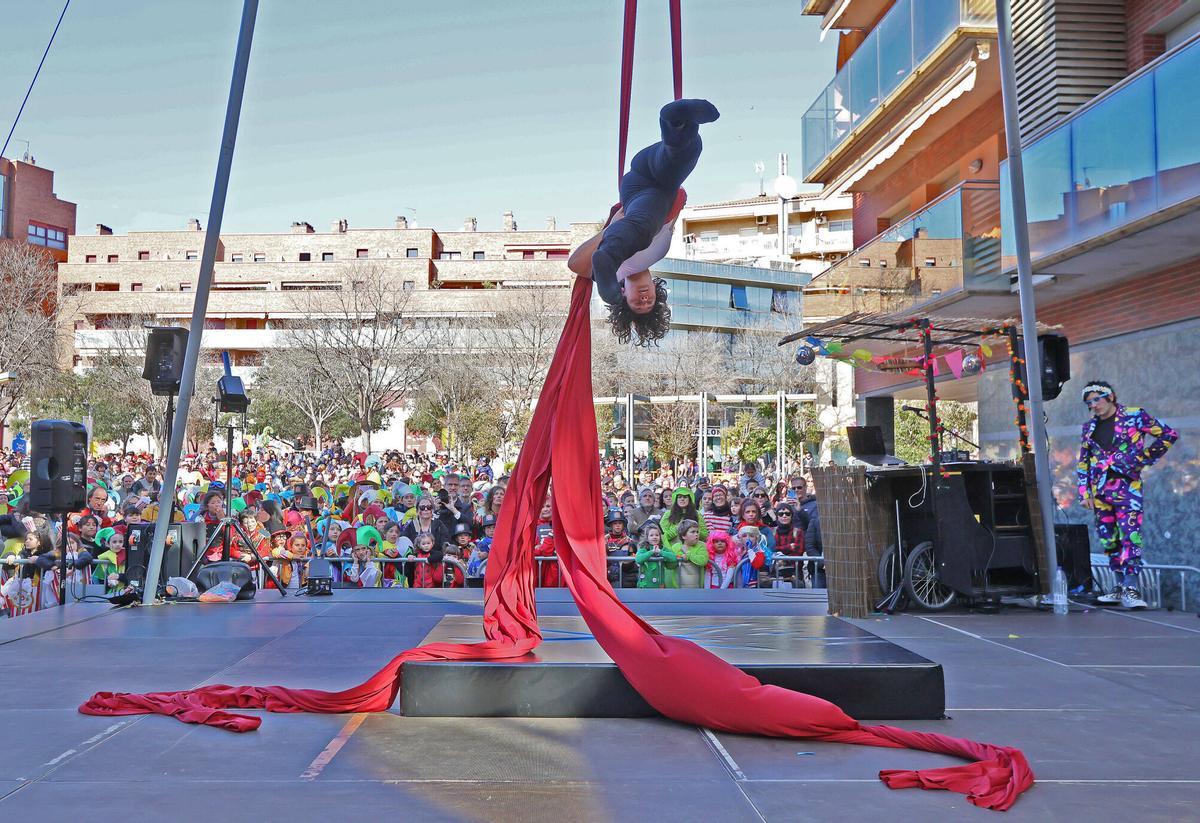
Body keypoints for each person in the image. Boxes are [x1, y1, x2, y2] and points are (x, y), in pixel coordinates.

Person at [568, 98, 720, 344]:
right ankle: (678, 121)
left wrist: (608, 230)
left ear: (622, 293)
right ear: (657, 292)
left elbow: (575, 264)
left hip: (640, 194)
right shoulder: (660, 253)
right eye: (650, 302)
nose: (644, 299)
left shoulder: (615, 274)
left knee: (644, 227)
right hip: (656, 172)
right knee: (684, 153)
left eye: (637, 304)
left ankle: (677, 125)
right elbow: (674, 205)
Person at [1076, 380, 1178, 609]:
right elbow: (1084, 461)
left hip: (1127, 487)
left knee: (1130, 535)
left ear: (1109, 396)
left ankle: (1131, 587)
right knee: (1108, 538)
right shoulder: (1089, 428)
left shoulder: (1134, 415)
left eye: (1096, 399)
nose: (1093, 405)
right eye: (1088, 402)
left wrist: (1141, 460)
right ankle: (1120, 586)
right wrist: (1084, 492)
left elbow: (1168, 434)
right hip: (1100, 490)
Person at [635, 522, 676, 589]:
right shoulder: (644, 549)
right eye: (651, 535)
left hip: (659, 585)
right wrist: (651, 552)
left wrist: (660, 552)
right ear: (647, 538)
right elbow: (638, 559)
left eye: (657, 535)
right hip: (645, 585)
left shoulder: (663, 548)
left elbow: (673, 557)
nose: (654, 537)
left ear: (660, 537)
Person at [604, 508, 636, 587]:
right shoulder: (605, 540)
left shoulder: (629, 541)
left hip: (625, 577)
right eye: (615, 523)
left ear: (623, 525)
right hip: (608, 577)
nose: (617, 525)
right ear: (611, 525)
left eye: (620, 523)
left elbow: (633, 560)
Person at [676, 520, 708, 589]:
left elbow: (703, 560)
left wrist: (688, 555)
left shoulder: (701, 545)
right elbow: (671, 563)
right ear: (683, 536)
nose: (696, 534)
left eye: (697, 532)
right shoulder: (676, 547)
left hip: (697, 588)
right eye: (693, 532)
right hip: (679, 589)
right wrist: (679, 557)